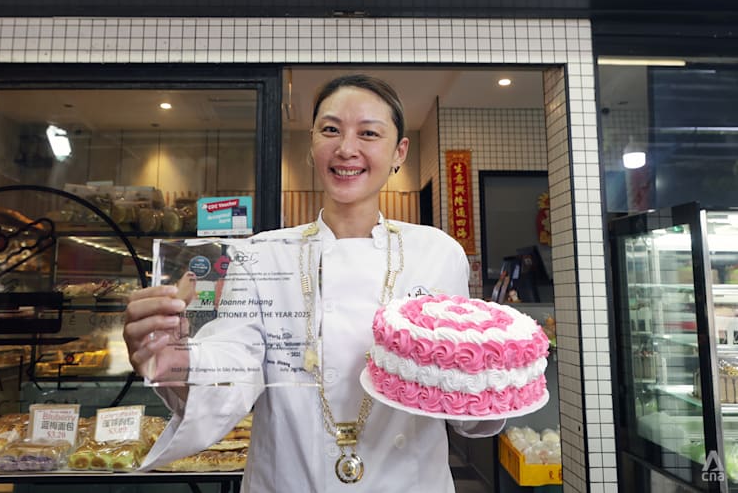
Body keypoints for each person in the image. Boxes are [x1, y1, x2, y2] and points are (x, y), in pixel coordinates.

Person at [123, 75, 504, 491]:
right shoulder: (261, 254)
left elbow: (464, 397)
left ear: (399, 151)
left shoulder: (437, 252)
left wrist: (493, 372)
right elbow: (234, 362)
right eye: (330, 129)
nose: (346, 148)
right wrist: (176, 360)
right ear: (311, 144)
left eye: (369, 133)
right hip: (290, 477)